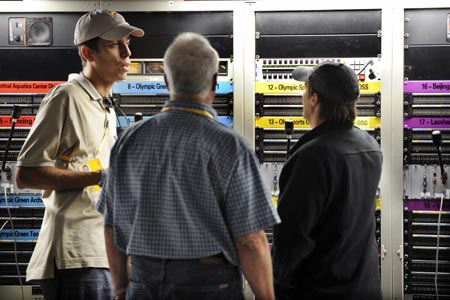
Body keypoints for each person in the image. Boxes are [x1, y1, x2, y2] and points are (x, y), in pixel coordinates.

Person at [97, 32, 280, 300]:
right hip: (208, 285)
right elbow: (250, 240)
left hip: (143, 282)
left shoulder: (129, 140)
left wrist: (122, 289)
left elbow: (111, 227)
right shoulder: (229, 145)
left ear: (166, 80)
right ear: (215, 82)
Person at [15, 9, 144, 300]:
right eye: (114, 45)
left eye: (127, 43)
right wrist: (101, 176)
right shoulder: (66, 97)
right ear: (88, 52)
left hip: (102, 252)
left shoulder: (104, 106)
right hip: (76, 255)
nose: (127, 53)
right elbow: (26, 174)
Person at [271, 61, 383, 300]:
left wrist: (277, 289)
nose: (302, 95)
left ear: (314, 99)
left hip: (321, 290)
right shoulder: (370, 146)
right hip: (364, 287)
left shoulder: (313, 156)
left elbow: (291, 239)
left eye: (305, 89)